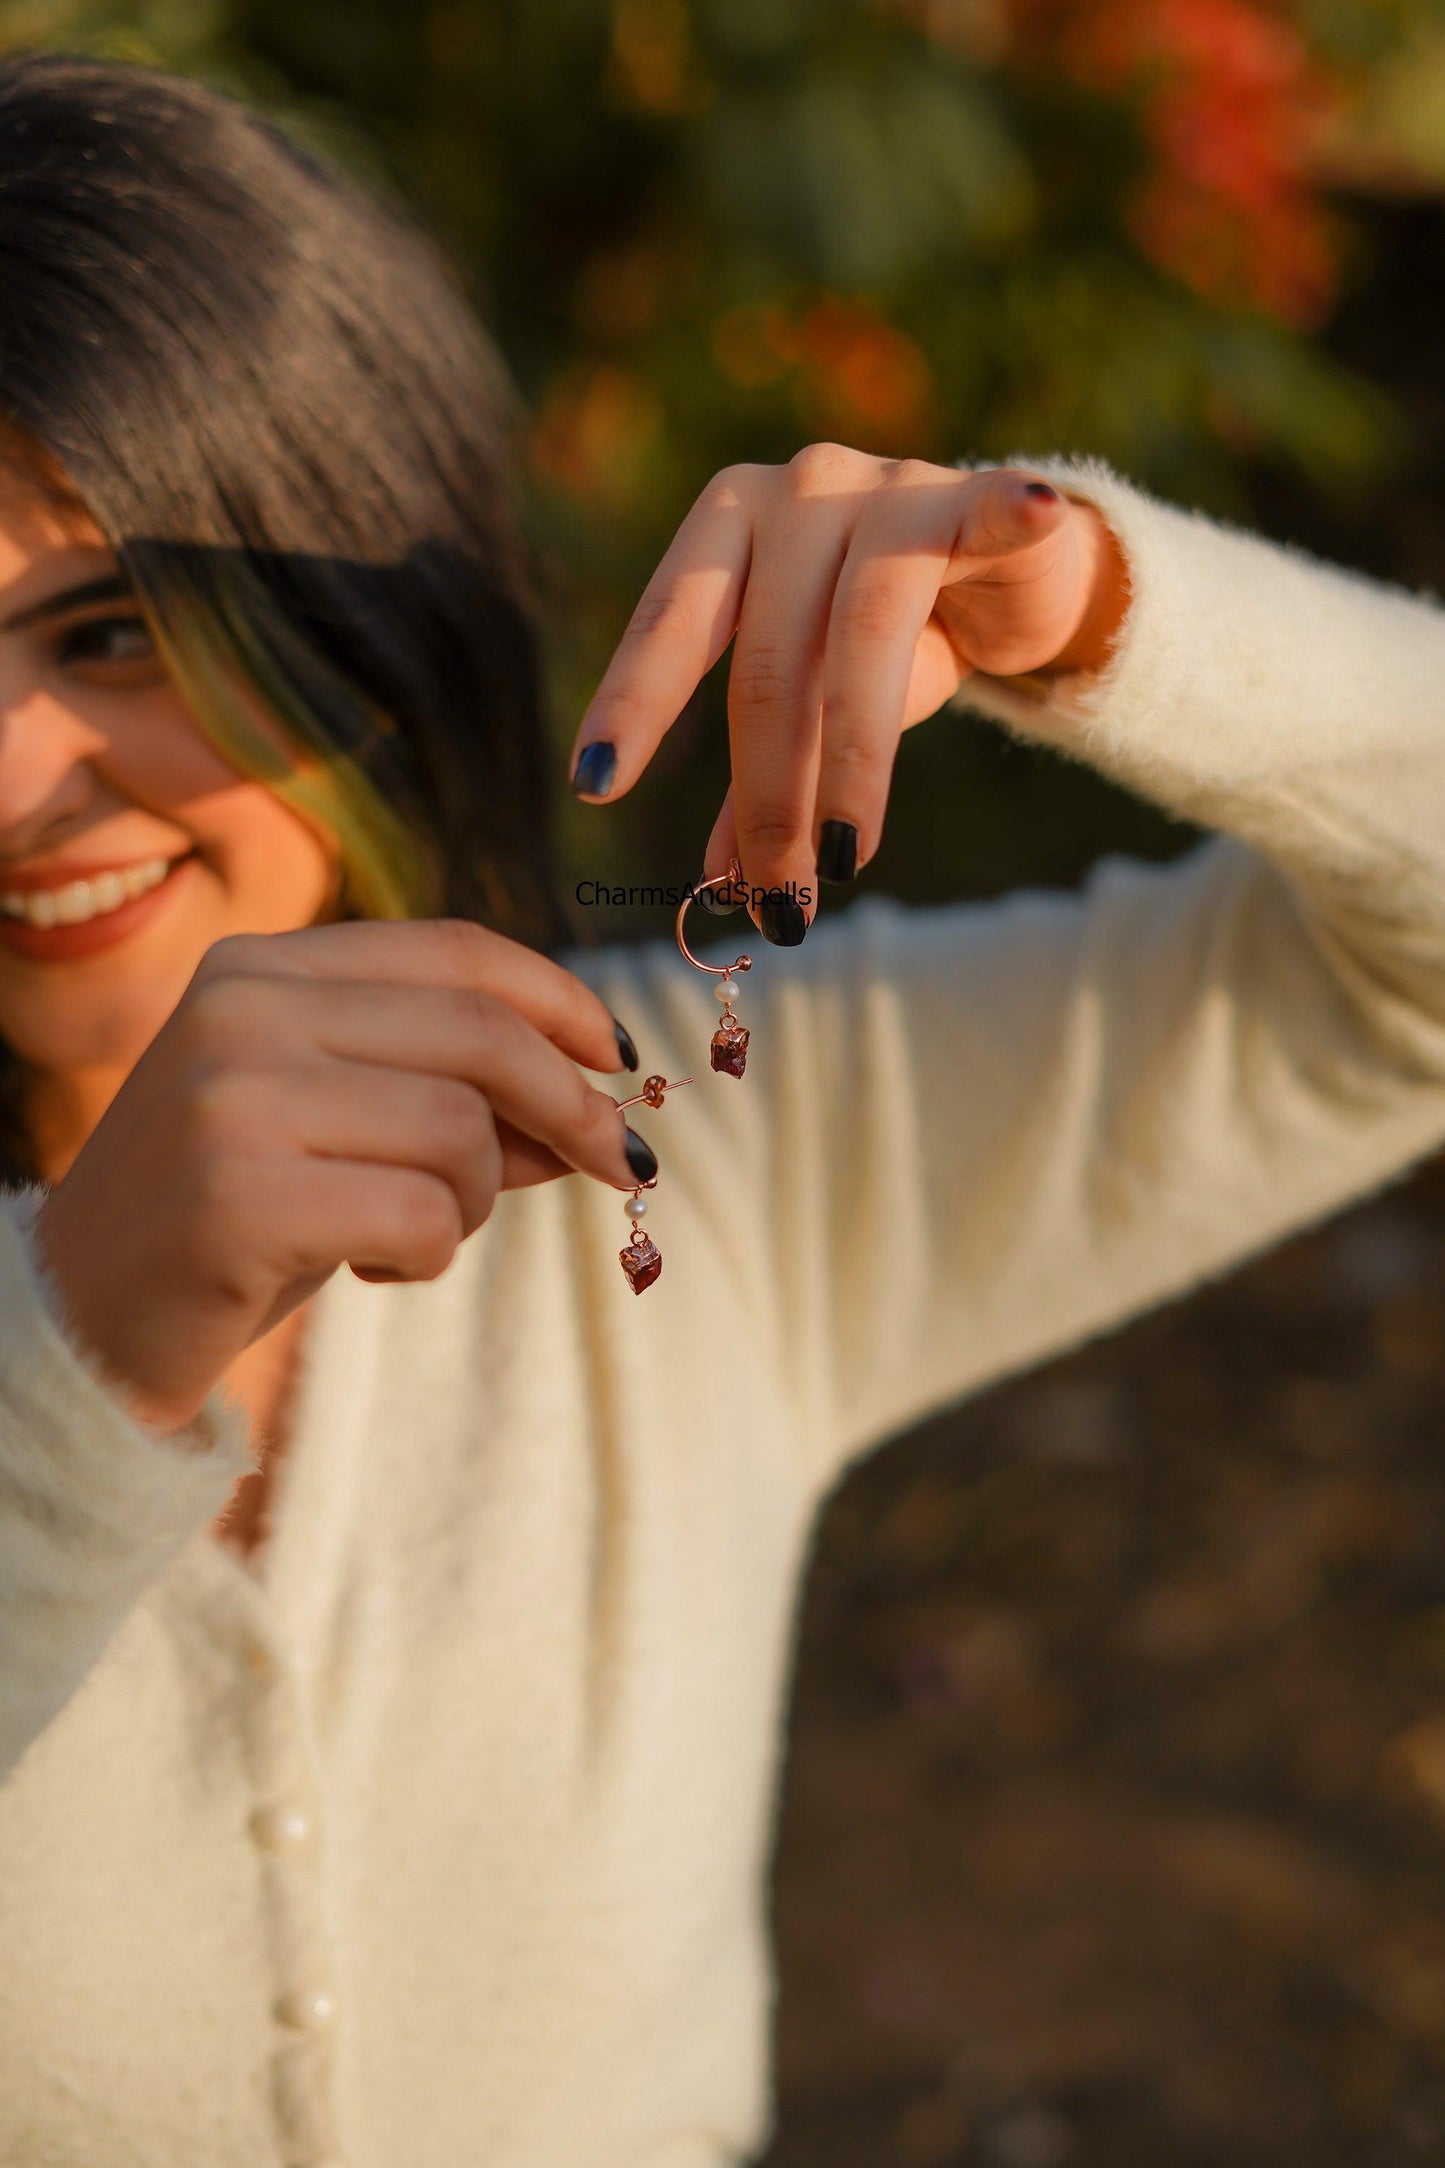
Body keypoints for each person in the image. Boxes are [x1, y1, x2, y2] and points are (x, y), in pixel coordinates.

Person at [0, 47, 1440, 2168]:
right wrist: (68, 1361)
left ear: (358, 610)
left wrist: (1103, 613)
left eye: (111, 628)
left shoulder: (699, 1147)